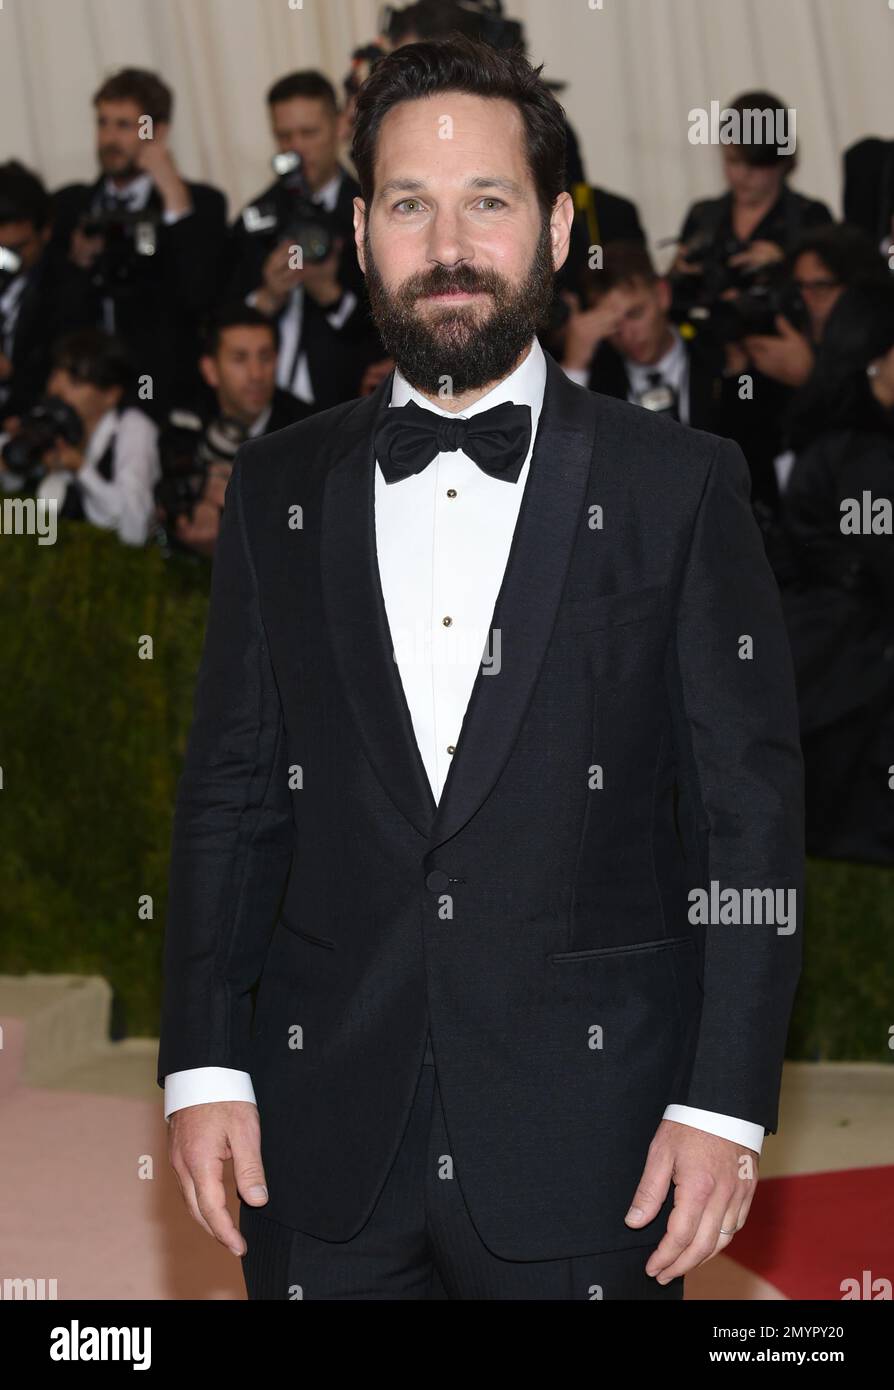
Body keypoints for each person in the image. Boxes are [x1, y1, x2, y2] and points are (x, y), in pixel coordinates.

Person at [159, 36, 804, 1301]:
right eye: (410, 203)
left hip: (601, 1146)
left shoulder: (679, 485)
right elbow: (230, 795)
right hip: (320, 1138)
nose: (447, 243)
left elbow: (750, 817)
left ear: (560, 231)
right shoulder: (281, 488)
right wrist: (205, 1065)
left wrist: (725, 1103)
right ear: (359, 231)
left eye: (488, 201)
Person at [770, 282, 894, 864]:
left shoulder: (842, 443)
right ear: (877, 361)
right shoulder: (863, 458)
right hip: (850, 679)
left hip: (828, 670)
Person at [50, 68, 228, 421]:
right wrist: (77, 264)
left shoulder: (202, 204)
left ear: (157, 132)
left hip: (166, 398)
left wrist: (174, 198)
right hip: (83, 404)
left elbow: (203, 296)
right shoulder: (69, 207)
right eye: (103, 123)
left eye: (124, 125)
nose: (108, 138)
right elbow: (50, 312)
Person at [223, 71, 384, 412]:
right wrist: (268, 296)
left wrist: (329, 293)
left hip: (352, 408)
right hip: (270, 412)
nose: (296, 149)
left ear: (341, 126)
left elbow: (390, 328)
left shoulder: (374, 211)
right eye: (284, 137)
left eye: (309, 133)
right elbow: (224, 325)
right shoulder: (255, 218)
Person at [158, 306, 312, 557]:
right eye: (240, 359)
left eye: (265, 357)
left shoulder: (308, 427)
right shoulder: (184, 422)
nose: (256, 374)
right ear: (210, 370)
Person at [560, 240, 728, 434]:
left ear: (662, 295)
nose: (626, 334)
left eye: (635, 314)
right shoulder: (596, 380)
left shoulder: (720, 355)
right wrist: (574, 365)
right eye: (611, 325)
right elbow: (560, 447)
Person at [18, 328, 159, 546]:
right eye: (55, 375)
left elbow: (134, 527)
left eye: (74, 382)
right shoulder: (46, 421)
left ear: (110, 394)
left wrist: (80, 468)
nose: (57, 390)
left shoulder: (132, 427)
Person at [0, 161, 93, 425]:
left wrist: (10, 372)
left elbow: (68, 377)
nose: (6, 260)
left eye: (18, 248)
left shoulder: (67, 290)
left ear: (46, 231)